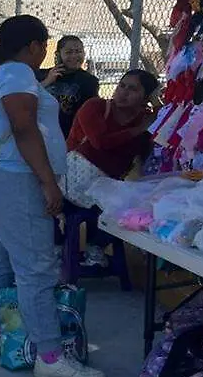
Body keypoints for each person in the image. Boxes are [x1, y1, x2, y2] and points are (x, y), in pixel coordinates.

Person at [0, 15, 105, 377]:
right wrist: (49, 182)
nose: (45, 52)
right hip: (18, 179)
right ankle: (50, 355)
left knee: (2, 260)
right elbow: (24, 128)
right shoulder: (16, 74)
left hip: (2, 178)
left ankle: (0, 333)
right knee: (36, 268)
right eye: (44, 45)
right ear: (33, 45)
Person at [63, 69, 160, 266]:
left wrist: (157, 106)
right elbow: (101, 142)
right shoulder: (95, 107)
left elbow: (149, 152)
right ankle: (59, 251)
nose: (123, 92)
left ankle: (96, 248)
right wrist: (138, 130)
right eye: (122, 85)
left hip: (107, 187)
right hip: (70, 185)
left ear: (146, 97)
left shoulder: (147, 119)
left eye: (132, 89)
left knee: (127, 209)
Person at [38, 35, 100, 138]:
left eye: (78, 51)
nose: (74, 56)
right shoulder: (42, 75)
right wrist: (46, 82)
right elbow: (28, 97)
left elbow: (90, 113)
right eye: (69, 52)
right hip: (41, 134)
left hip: (69, 136)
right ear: (58, 55)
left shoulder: (89, 81)